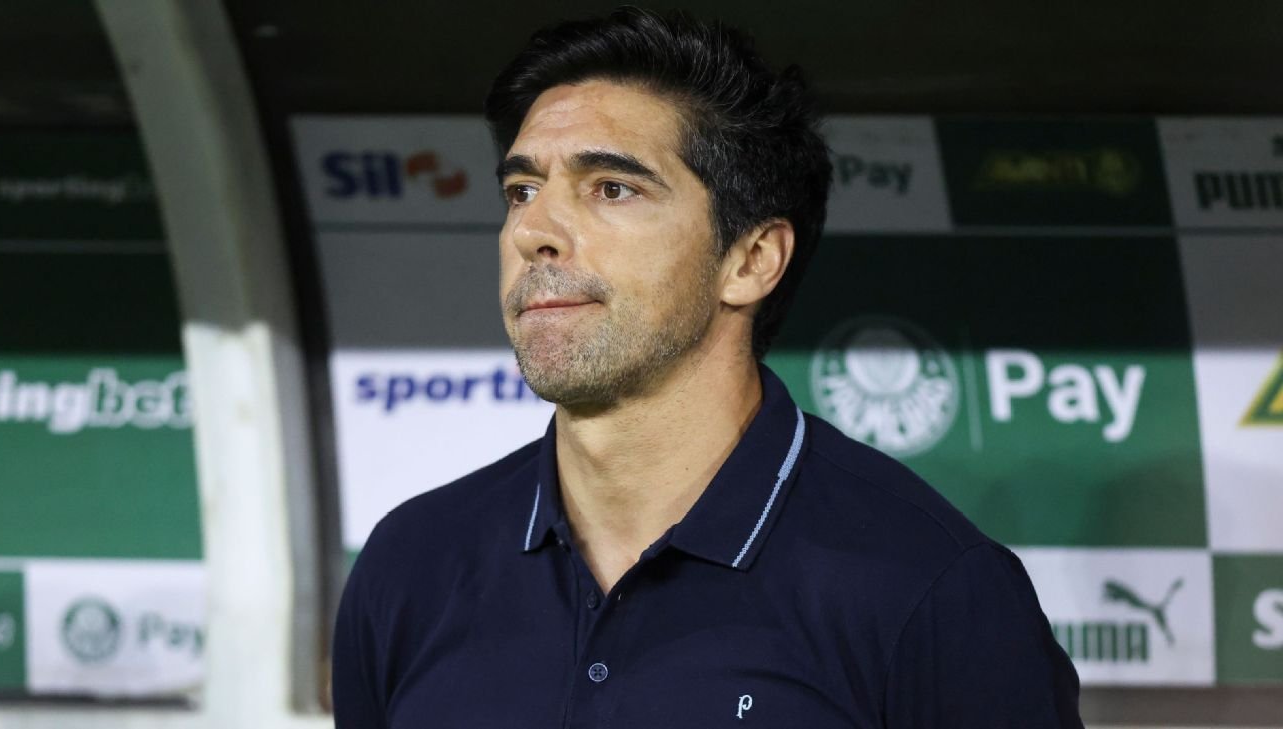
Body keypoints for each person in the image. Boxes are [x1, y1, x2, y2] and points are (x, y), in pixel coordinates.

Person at [332, 8, 1084, 728]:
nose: (532, 230)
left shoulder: (930, 588)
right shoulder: (410, 565)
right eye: (522, 190)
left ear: (751, 260)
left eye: (612, 188)